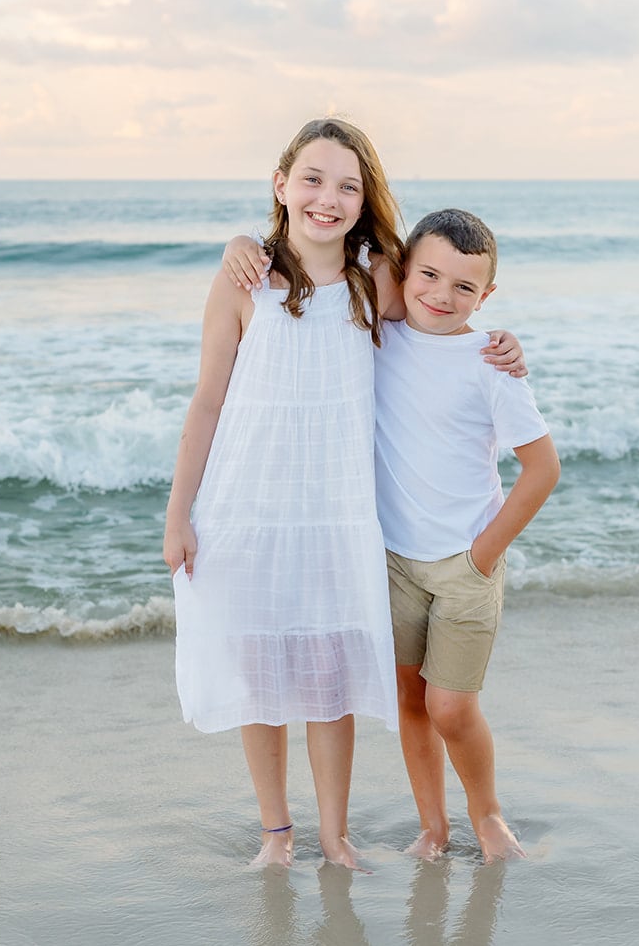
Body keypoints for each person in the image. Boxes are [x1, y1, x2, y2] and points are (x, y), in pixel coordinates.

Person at [164, 120, 524, 871]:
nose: (327, 198)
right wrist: (179, 513)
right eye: (313, 179)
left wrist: (502, 344)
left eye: (348, 186)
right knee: (262, 678)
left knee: (329, 680)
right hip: (246, 510)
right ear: (281, 184)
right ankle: (277, 833)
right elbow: (207, 400)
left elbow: (440, 317)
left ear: (365, 201)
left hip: (338, 516)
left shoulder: (375, 279)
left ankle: (334, 836)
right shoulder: (243, 281)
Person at [374, 209, 560, 863]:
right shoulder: (377, 337)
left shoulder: (489, 363)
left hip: (465, 565)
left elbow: (542, 468)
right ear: (404, 269)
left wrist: (483, 555)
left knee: (451, 707)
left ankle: (488, 816)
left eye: (464, 287)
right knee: (410, 699)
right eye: (428, 274)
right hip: (393, 559)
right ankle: (433, 826)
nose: (441, 295)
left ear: (487, 296)